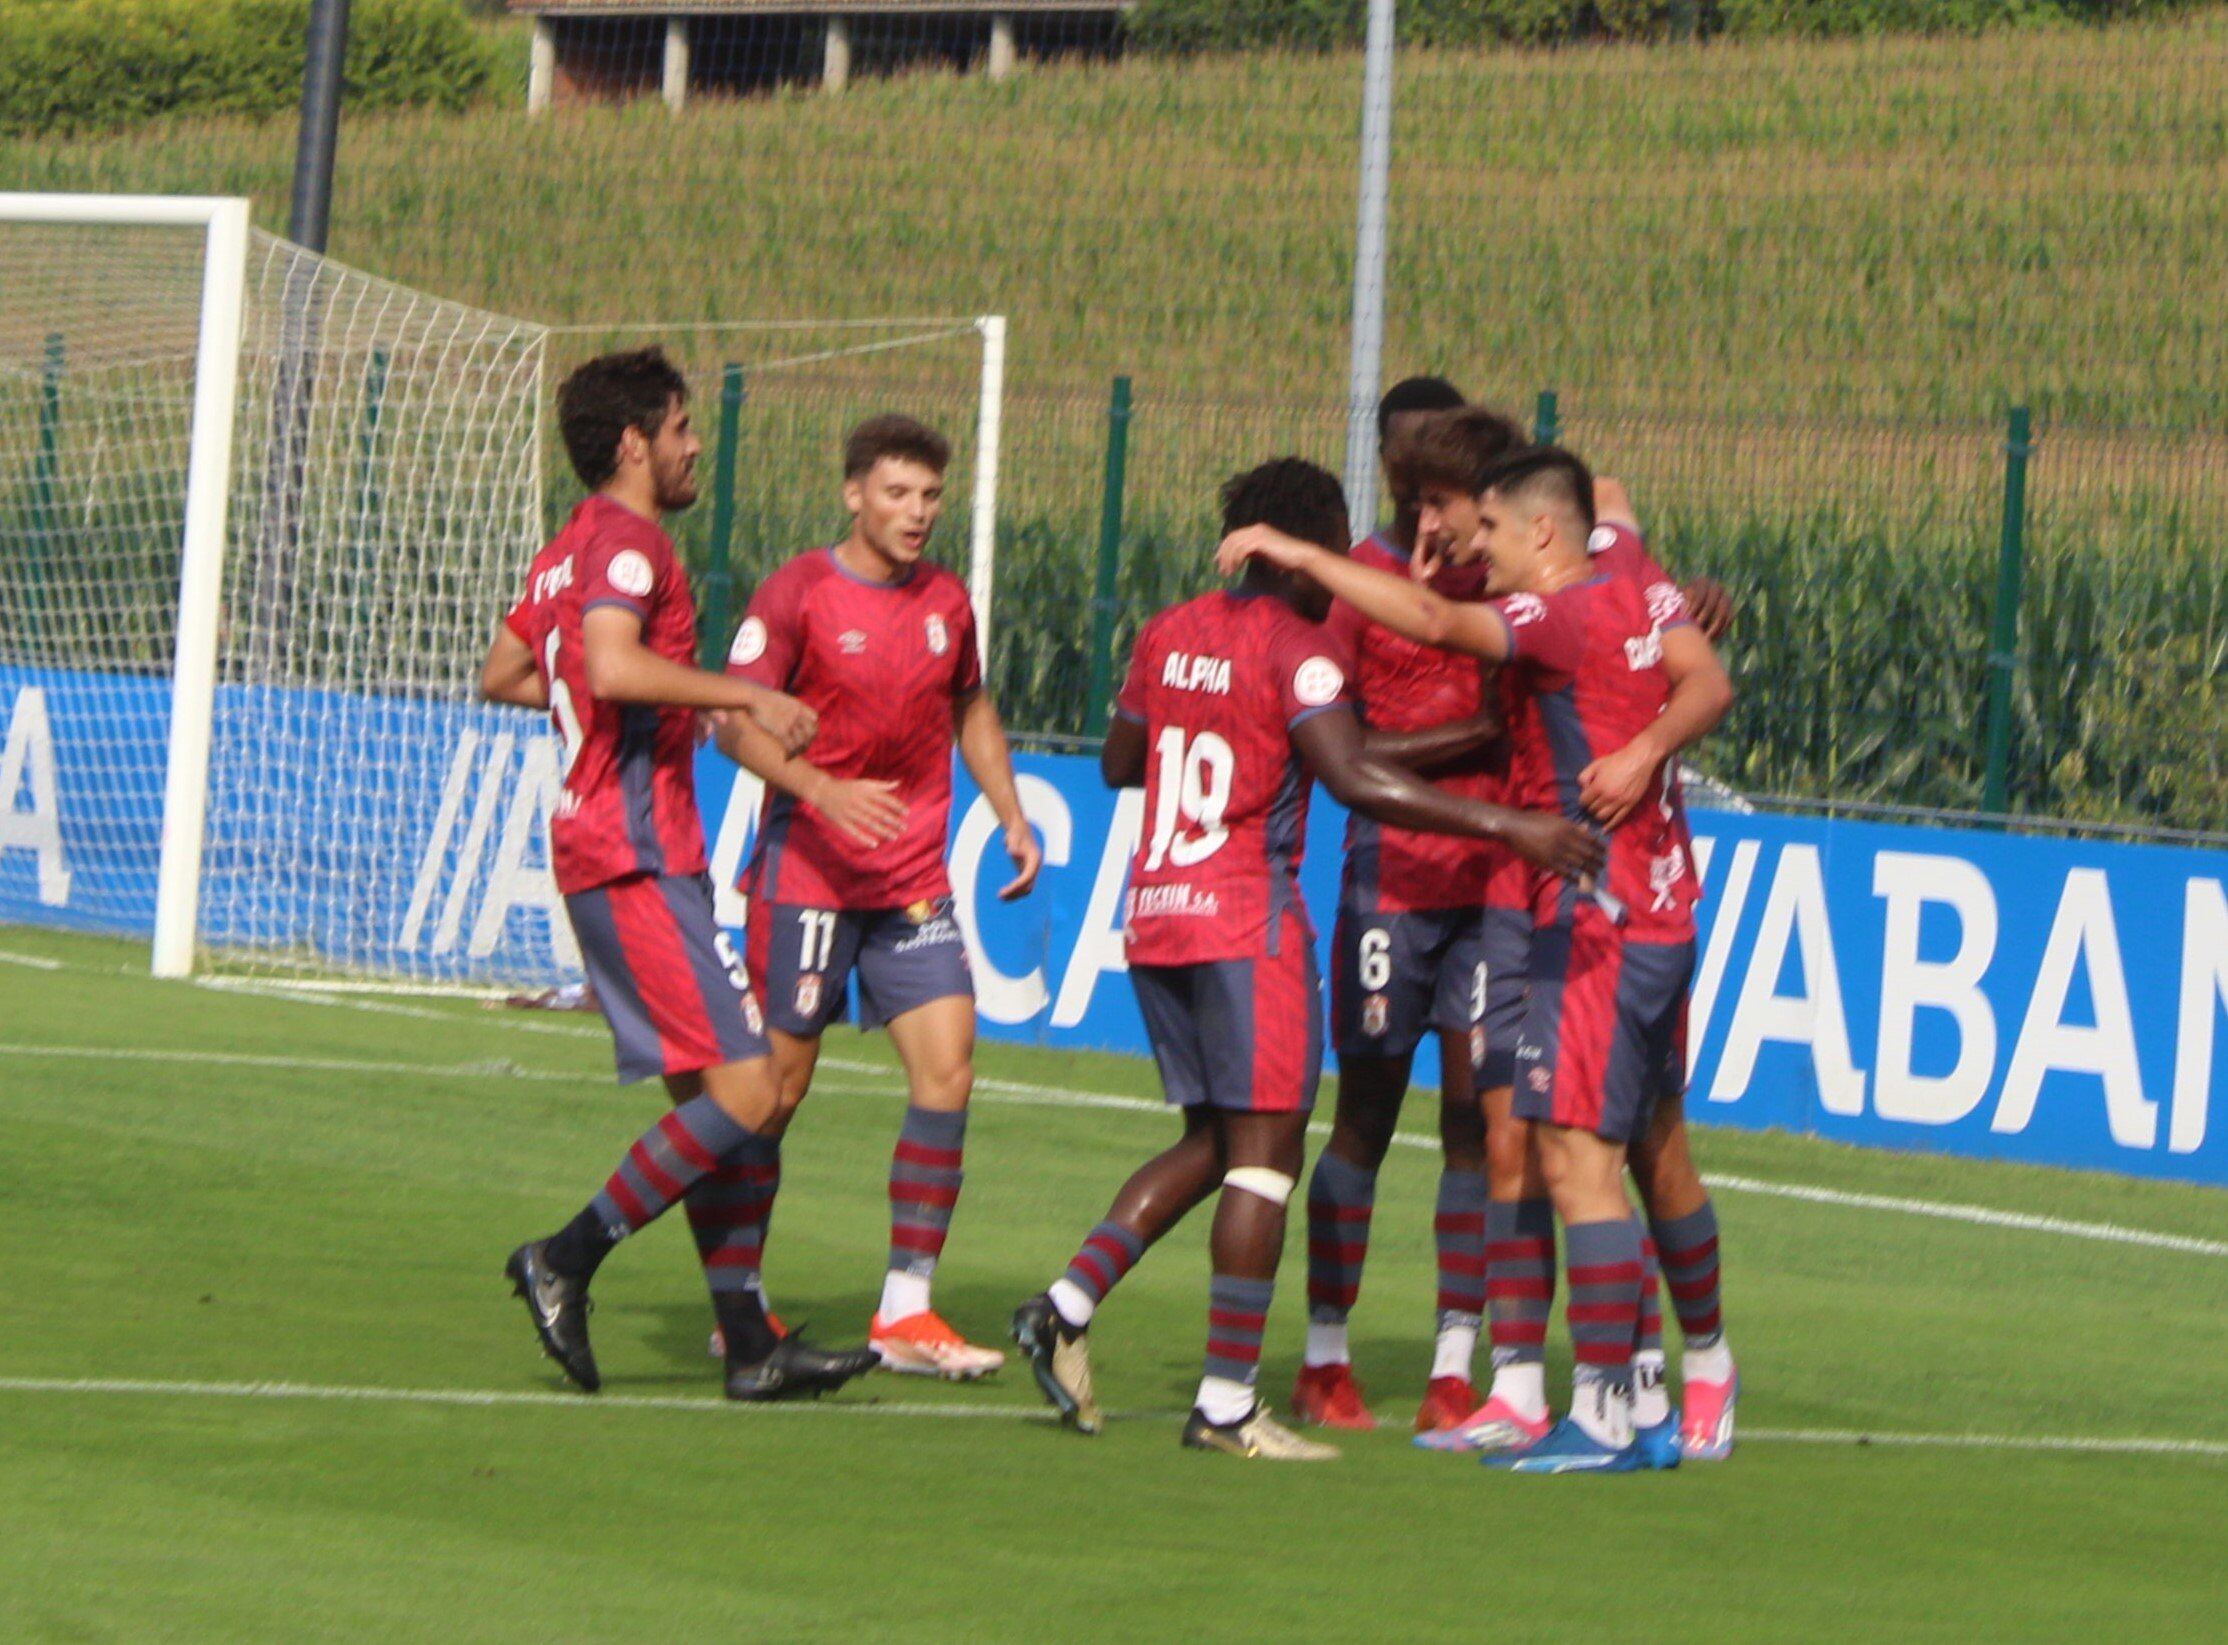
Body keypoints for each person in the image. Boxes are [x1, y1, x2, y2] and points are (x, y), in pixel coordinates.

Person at [1011, 457, 1604, 1461]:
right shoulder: (1300, 650)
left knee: (1214, 1141)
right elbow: (1354, 779)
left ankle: (1066, 1304)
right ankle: (1227, 1405)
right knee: (1267, 1162)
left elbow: (1120, 762)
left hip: (1156, 913)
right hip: (1248, 924)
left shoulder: (1166, 631)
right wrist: (1503, 821)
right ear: (1313, 551)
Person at [1219, 444, 1735, 1474]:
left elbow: (1431, 620)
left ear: (1541, 534)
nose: (1472, 545)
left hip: (1599, 915)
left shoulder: (1556, 612)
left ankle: (1606, 1414)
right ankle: (1624, 1383)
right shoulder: (1629, 579)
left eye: (1488, 527)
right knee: (1597, 1148)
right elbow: (1695, 661)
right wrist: (1645, 748)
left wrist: (1301, 555)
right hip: (1655, 903)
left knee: (1578, 1161)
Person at [482, 347, 878, 1402]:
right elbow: (606, 666)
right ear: (632, 444)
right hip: (633, 851)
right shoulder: (625, 543)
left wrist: (621, 706)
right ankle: (564, 1257)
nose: (695, 444)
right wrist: (736, 698)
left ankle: (749, 1346)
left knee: (719, 1100)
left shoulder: (567, 550)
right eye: (680, 426)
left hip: (615, 848)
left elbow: (509, 671)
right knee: (752, 1090)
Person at [715, 414, 1041, 1380]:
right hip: (806, 876)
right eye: (898, 493)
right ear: (854, 493)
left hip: (907, 882)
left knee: (948, 1070)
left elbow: (968, 704)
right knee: (773, 1095)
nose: (918, 513)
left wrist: (1011, 811)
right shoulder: (797, 593)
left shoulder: (947, 599)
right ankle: (740, 1302)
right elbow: (732, 724)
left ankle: (906, 1308)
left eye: (931, 496)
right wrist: (817, 789)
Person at [1294, 388, 1529, 1436]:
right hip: (1386, 882)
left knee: (1476, 1126)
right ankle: (1323, 1353)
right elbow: (1338, 749)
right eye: (1409, 475)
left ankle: (1450, 1360)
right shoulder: (1359, 583)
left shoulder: (1506, 581)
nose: (1428, 507)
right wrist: (1473, 739)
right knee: (1365, 1117)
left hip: (1490, 893)